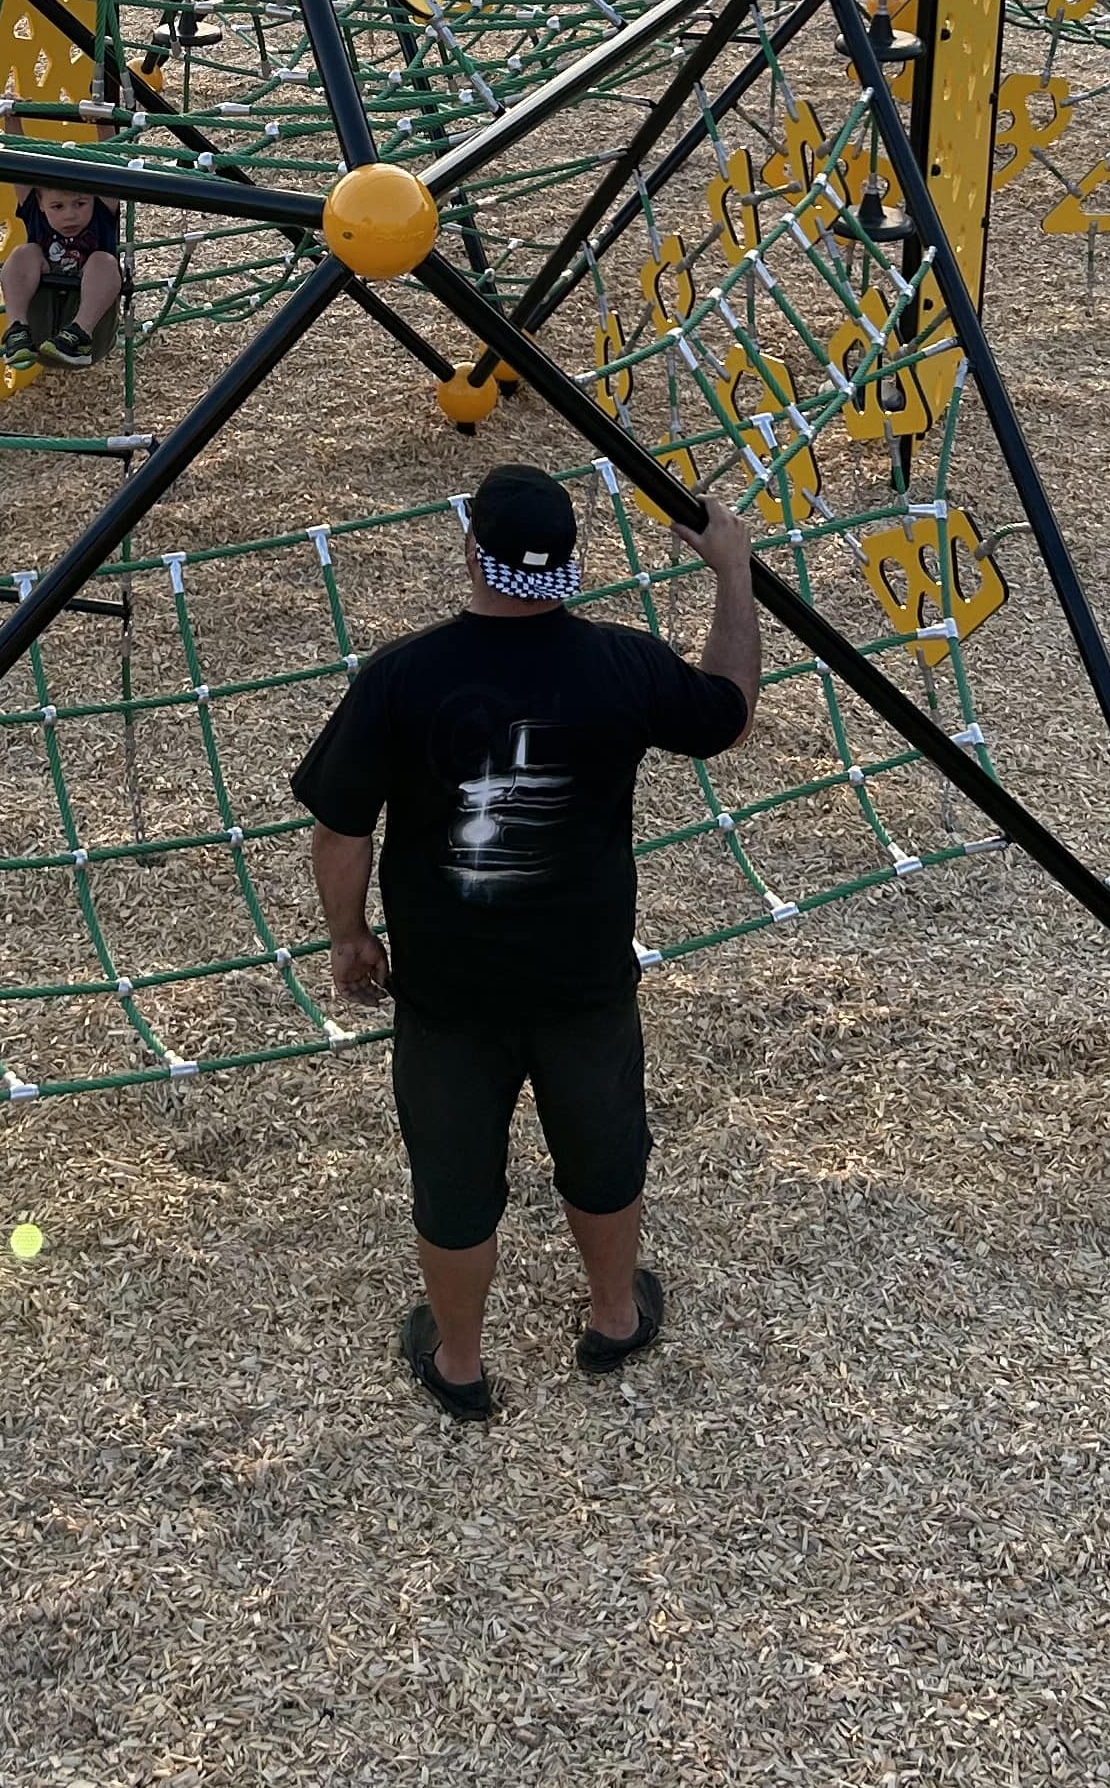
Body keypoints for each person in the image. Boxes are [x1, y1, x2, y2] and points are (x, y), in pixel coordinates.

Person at [291, 458, 763, 1420]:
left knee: (456, 1174)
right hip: (583, 979)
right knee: (601, 1151)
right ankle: (614, 1317)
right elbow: (730, 710)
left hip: (449, 989)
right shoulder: (621, 666)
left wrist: (348, 938)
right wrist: (733, 572)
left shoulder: (401, 678)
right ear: (569, 566)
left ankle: (459, 1363)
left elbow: (342, 828)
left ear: (474, 553)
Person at [0, 179, 122, 370]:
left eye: (80, 204)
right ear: (40, 203)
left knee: (103, 261)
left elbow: (110, 173)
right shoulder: (35, 214)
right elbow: (19, 171)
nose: (70, 215)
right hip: (38, 329)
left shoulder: (101, 216)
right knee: (24, 253)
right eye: (57, 206)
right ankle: (17, 329)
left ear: (94, 199)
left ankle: (79, 333)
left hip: (91, 332)